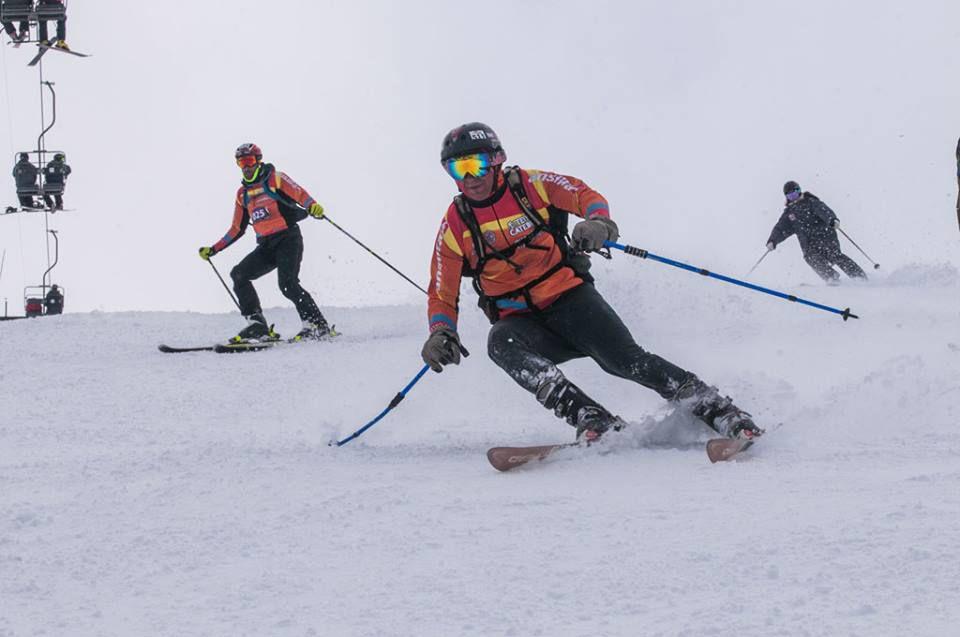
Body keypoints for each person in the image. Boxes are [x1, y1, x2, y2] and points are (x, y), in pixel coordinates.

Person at [421, 122, 764, 444]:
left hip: (569, 299)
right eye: (457, 169)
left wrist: (598, 223)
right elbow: (441, 290)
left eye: (475, 165)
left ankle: (720, 410)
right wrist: (441, 331)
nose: (469, 177)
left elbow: (584, 194)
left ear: (496, 160)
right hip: (521, 321)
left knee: (625, 361)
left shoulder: (530, 185)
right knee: (500, 342)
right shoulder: (455, 225)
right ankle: (592, 419)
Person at [199, 143, 333, 343]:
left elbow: (299, 193)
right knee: (239, 274)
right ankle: (257, 325)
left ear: (258, 161)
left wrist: (312, 206)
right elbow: (236, 229)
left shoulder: (275, 178)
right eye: (241, 163)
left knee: (287, 284)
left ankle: (316, 325)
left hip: (288, 239)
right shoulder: (242, 195)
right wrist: (214, 249)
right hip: (266, 246)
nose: (246, 167)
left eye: (250, 161)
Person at [765, 181, 867, 283]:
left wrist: (831, 219)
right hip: (808, 243)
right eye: (790, 196)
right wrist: (773, 240)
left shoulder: (811, 202)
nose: (794, 197)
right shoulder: (789, 213)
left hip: (825, 236)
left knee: (833, 254)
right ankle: (831, 277)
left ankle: (859, 276)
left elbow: (824, 211)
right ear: (787, 197)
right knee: (810, 257)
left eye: (795, 194)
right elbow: (781, 228)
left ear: (799, 191)